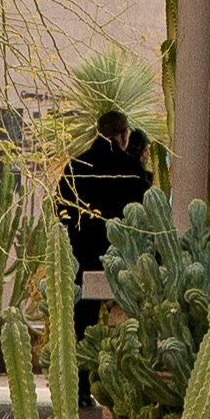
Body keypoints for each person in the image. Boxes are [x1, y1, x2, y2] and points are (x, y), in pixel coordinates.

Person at [57, 97, 161, 314]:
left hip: (83, 252)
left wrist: (78, 227)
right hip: (121, 255)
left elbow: (61, 208)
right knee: (125, 320)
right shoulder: (131, 168)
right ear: (124, 135)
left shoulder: (76, 166)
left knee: (82, 317)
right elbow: (144, 211)